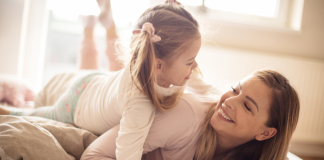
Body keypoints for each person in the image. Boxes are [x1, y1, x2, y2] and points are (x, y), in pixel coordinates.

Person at [0, 1, 217, 160]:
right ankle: (7, 111)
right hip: (76, 104)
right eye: (190, 62)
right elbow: (127, 152)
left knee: (111, 63)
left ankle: (90, 26)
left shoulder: (148, 60)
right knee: (38, 114)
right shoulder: (139, 104)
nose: (195, 67)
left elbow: (205, 88)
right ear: (159, 65)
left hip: (94, 82)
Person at [80, 69, 300, 160]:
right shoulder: (186, 117)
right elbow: (94, 154)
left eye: (247, 106)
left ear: (266, 133)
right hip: (84, 93)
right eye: (235, 89)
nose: (229, 101)